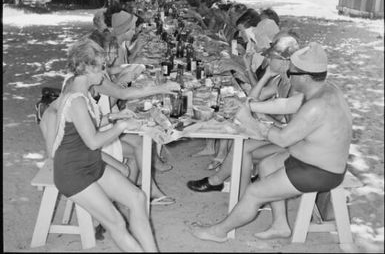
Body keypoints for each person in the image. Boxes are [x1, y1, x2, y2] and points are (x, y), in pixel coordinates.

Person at [188, 42, 352, 243]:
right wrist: (250, 106)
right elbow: (286, 104)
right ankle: (280, 225)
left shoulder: (317, 106)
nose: (289, 77)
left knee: (254, 192)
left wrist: (250, 121)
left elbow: (283, 139)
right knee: (266, 165)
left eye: (292, 74)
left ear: (306, 77)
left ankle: (219, 232)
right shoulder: (323, 89)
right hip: (310, 158)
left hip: (321, 171)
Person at [52, 38, 158, 251]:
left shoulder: (81, 90)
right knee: (116, 223)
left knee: (137, 197)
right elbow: (92, 142)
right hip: (73, 172)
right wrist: (120, 126)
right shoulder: (77, 99)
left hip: (90, 163)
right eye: (101, 67)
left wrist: (114, 116)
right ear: (87, 67)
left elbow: (88, 125)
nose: (105, 71)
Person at [187, 33, 300, 196]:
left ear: (284, 62)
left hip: (293, 143)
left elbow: (292, 132)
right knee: (242, 143)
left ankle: (229, 186)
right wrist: (267, 75)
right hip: (281, 134)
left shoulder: (295, 87)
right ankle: (231, 187)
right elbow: (253, 99)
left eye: (271, 58)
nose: (268, 61)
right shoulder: (280, 81)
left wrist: (260, 115)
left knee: (243, 145)